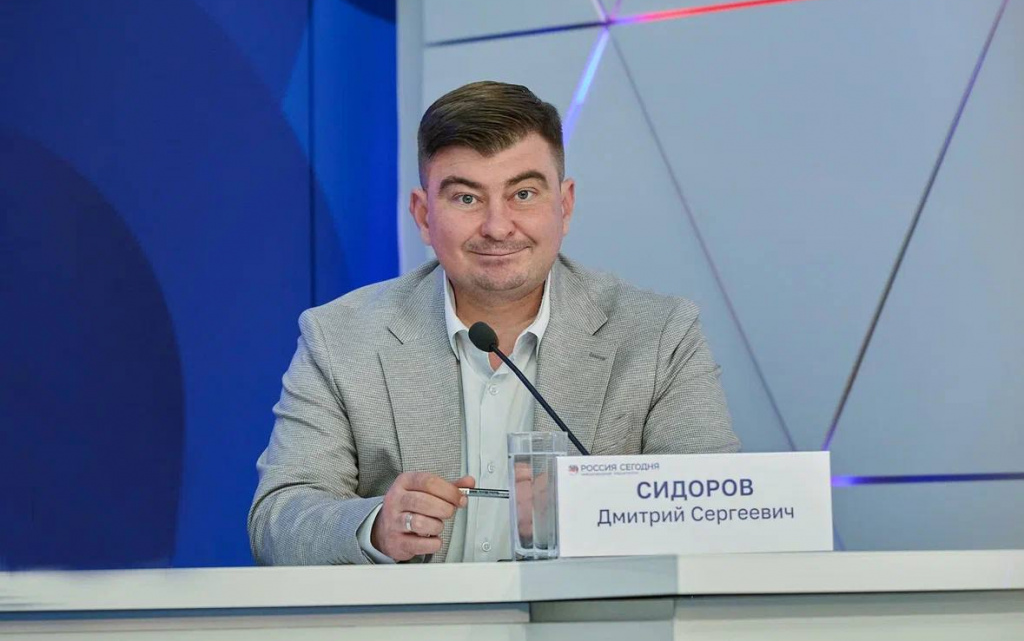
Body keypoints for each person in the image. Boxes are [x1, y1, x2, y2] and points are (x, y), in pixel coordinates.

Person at [248, 81, 740, 566]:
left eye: (523, 194)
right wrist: (375, 527)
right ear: (423, 215)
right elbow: (277, 520)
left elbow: (714, 509)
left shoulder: (659, 335)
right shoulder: (341, 337)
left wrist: (597, 512)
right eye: (467, 198)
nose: (498, 227)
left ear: (564, 206)